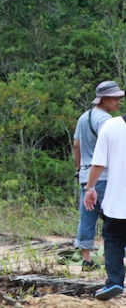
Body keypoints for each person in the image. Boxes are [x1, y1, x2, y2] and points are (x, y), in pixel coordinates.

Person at [74, 81, 125, 270]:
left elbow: (76, 145)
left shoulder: (83, 117)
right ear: (104, 99)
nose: (118, 102)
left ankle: (86, 259)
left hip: (87, 176)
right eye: (115, 98)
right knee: (115, 217)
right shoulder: (106, 121)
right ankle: (116, 256)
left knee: (87, 218)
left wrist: (79, 169)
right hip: (104, 176)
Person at [83, 109, 126, 301]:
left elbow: (98, 163)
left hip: (118, 201)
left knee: (114, 239)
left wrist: (90, 188)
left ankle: (115, 281)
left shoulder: (112, 126)